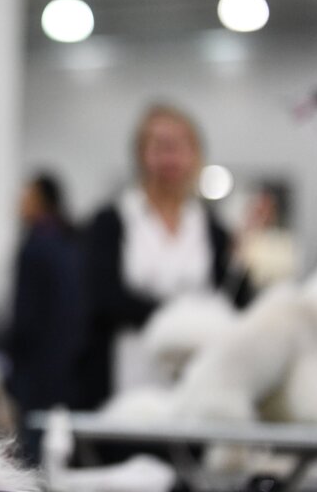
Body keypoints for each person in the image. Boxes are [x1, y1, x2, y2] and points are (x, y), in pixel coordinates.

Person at [77, 104, 251, 410]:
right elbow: (104, 298)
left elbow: (232, 299)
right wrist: (186, 321)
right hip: (126, 377)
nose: (170, 157)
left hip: (196, 381)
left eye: (180, 146)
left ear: (195, 155)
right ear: (141, 154)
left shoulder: (212, 228)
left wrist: (244, 259)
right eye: (160, 146)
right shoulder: (111, 220)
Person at [7, 173, 83, 413]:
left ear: (41, 201)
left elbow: (25, 315)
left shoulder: (36, 247)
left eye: (26, 197)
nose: (20, 203)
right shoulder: (71, 241)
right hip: (70, 368)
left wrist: (13, 363)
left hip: (36, 371)